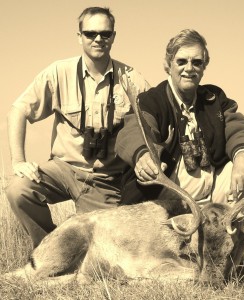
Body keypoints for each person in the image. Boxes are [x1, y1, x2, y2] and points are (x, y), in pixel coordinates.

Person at [5, 7, 150, 248]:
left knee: (105, 248)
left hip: (106, 179)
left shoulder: (132, 79)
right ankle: (47, 247)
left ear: (114, 36)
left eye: (105, 33)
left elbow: (152, 123)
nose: (98, 39)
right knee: (18, 189)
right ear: (79, 36)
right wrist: (18, 161)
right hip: (63, 169)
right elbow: (17, 111)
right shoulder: (58, 72)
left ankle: (72, 250)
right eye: (90, 33)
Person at [116, 29, 244, 263]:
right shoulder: (151, 100)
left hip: (213, 195)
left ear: (204, 66)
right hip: (169, 199)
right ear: (168, 64)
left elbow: (238, 126)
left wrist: (243, 154)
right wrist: (143, 154)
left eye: (197, 62)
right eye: (181, 61)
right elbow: (135, 129)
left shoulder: (214, 98)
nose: (189, 68)